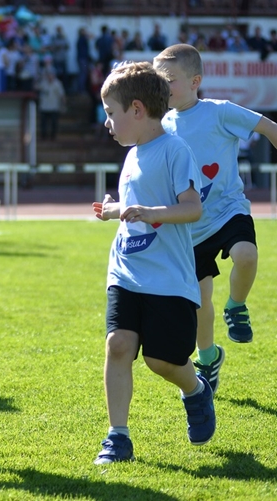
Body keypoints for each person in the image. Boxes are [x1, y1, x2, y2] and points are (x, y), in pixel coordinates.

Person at [91, 61, 214, 464]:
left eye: (111, 113)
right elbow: (136, 209)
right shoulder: (133, 154)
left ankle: (195, 390)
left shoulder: (175, 150)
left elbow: (192, 209)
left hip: (169, 279)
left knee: (161, 360)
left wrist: (148, 210)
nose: (107, 122)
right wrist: (115, 210)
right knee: (118, 344)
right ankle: (117, 437)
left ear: (138, 110)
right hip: (126, 271)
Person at [153, 44, 277, 394]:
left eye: (170, 80)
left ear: (196, 81)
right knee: (199, 303)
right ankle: (208, 358)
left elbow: (268, 127)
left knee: (247, 255)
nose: (163, 87)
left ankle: (237, 305)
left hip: (227, 210)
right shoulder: (160, 125)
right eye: (159, 81)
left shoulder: (220, 112)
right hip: (189, 228)